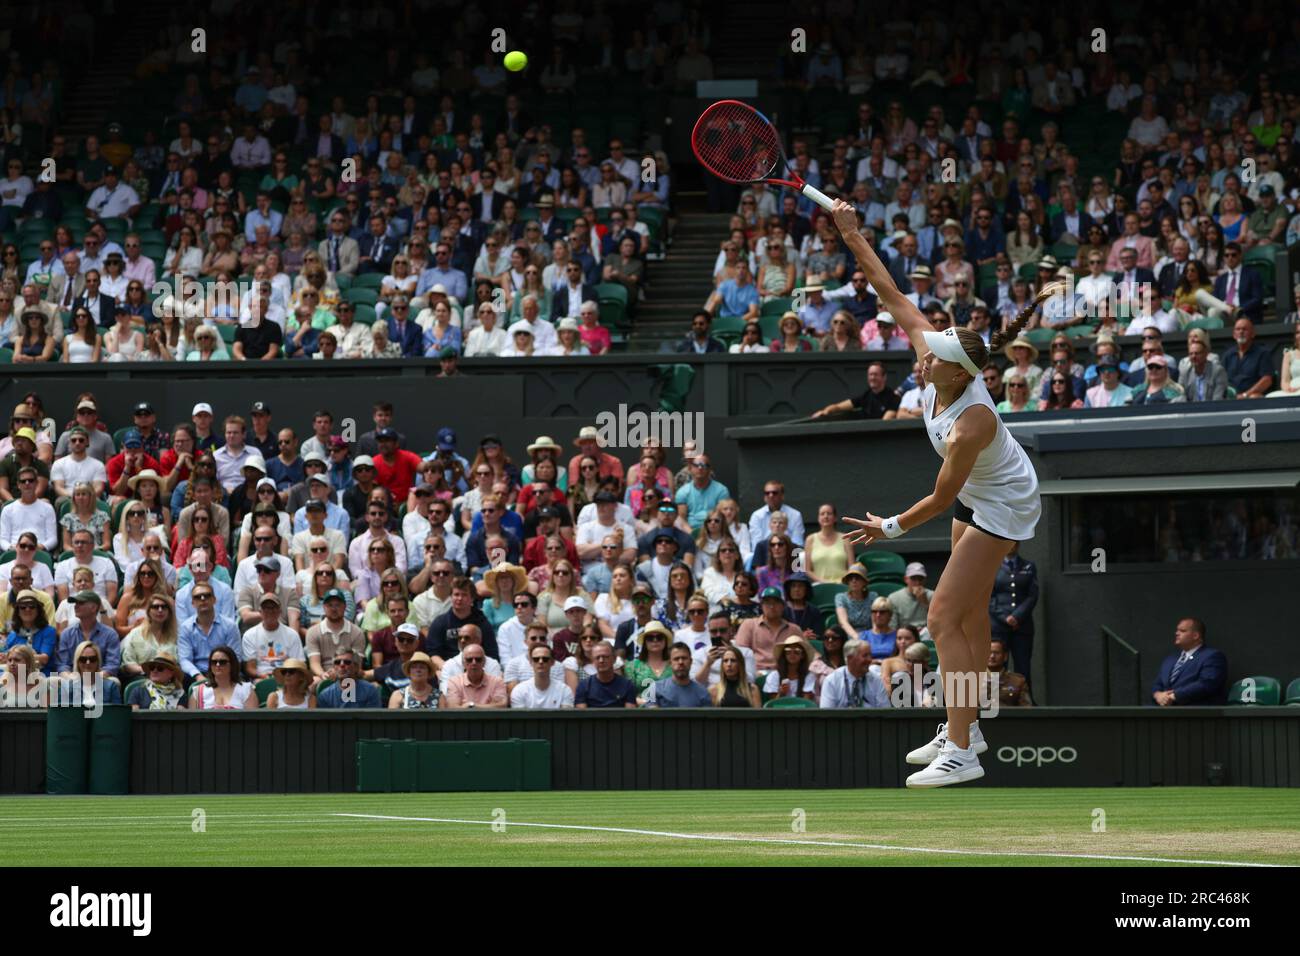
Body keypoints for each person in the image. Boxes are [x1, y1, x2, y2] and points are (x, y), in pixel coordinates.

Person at [830, 197, 1046, 787]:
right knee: (969, 613)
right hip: (978, 492)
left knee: (943, 616)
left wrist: (889, 528)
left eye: (938, 357)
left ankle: (962, 750)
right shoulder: (936, 356)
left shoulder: (972, 421)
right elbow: (888, 288)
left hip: (1003, 501)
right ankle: (968, 726)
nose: (923, 357)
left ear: (961, 374)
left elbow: (940, 497)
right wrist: (852, 233)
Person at [1151, 618, 1227, 706]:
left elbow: (1207, 683)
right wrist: (1158, 695)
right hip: (1164, 715)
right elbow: (1157, 684)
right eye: (1177, 630)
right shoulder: (1170, 659)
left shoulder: (1212, 656)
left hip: (1195, 714)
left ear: (1195, 635)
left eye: (1182, 631)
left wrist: (1174, 696)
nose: (1176, 633)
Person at [818, 638, 889, 708]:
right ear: (850, 658)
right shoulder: (832, 681)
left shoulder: (876, 680)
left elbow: (885, 713)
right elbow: (827, 715)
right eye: (865, 656)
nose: (870, 660)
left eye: (870, 655)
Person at [440, 643, 507, 708]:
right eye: (469, 660)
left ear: (484, 662)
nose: (474, 663)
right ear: (463, 663)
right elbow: (453, 708)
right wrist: (488, 706)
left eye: (478, 659)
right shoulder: (454, 682)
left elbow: (501, 706)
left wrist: (471, 705)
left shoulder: (497, 682)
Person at [644, 642, 712, 707]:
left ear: (691, 661)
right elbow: (652, 715)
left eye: (684, 658)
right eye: (676, 659)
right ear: (670, 663)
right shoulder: (655, 688)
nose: (681, 662)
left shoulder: (703, 692)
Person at [509, 641, 575, 709]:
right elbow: (520, 718)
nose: (540, 662)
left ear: (552, 662)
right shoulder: (519, 691)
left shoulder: (564, 690)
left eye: (545, 659)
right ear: (531, 662)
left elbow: (566, 718)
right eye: (536, 659)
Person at [189, 645, 257, 709]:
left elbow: (252, 719)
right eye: (214, 662)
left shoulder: (246, 690)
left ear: (232, 664)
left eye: (222, 662)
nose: (217, 665)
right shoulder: (198, 692)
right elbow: (192, 720)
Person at [575, 640, 637, 708]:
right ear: (593, 661)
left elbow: (629, 715)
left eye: (605, 657)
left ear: (614, 659)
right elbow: (581, 716)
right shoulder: (583, 686)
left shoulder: (627, 685)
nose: (601, 660)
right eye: (597, 657)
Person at [316, 650, 382, 708]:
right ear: (333, 667)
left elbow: (373, 720)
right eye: (337, 662)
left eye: (347, 662)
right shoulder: (325, 696)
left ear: (356, 667)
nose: (341, 665)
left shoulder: (370, 691)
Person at [764, 634, 817, 701]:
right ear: (784, 654)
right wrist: (781, 694)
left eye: (797, 651)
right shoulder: (774, 676)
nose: (792, 654)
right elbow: (772, 705)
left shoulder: (809, 676)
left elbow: (806, 702)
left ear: (803, 655)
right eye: (788, 651)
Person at [984, 637, 1032, 707]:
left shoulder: (1018, 681)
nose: (992, 656)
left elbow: (1027, 708)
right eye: (989, 652)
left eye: (996, 653)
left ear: (1005, 656)